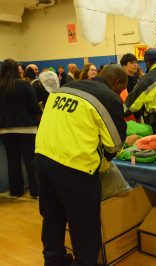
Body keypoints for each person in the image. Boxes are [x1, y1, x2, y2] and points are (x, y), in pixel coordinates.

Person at [35, 64, 127, 266]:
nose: (120, 93)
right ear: (117, 83)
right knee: (84, 225)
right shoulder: (108, 97)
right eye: (121, 89)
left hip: (43, 157)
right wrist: (105, 159)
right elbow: (115, 143)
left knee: (52, 216)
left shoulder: (66, 88)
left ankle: (54, 260)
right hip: (75, 166)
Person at [0, 59, 41, 198]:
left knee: (13, 162)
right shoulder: (25, 85)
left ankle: (16, 191)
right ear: (17, 70)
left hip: (6, 130)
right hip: (27, 129)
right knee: (31, 162)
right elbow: (34, 107)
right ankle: (35, 191)